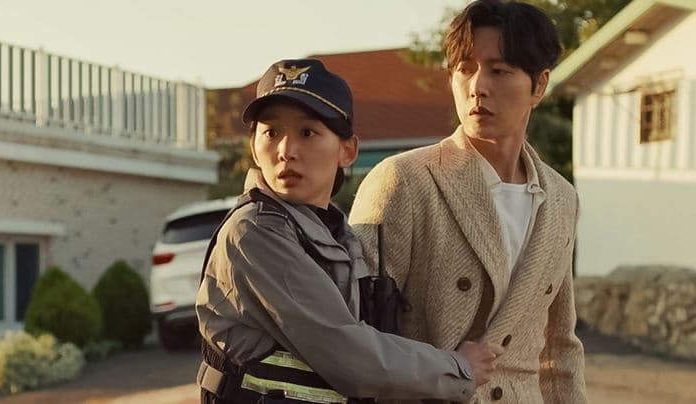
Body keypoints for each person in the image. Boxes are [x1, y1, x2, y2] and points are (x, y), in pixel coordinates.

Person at [195, 58, 502, 404]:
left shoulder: (336, 233)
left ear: (348, 150)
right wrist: (459, 368)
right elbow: (348, 353)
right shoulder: (253, 233)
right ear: (253, 146)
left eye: (307, 133)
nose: (286, 151)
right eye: (271, 133)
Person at [349, 1, 588, 403]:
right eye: (464, 68)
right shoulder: (405, 180)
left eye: (499, 70)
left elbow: (559, 348)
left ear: (539, 85)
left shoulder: (562, 198)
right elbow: (356, 328)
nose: (477, 86)